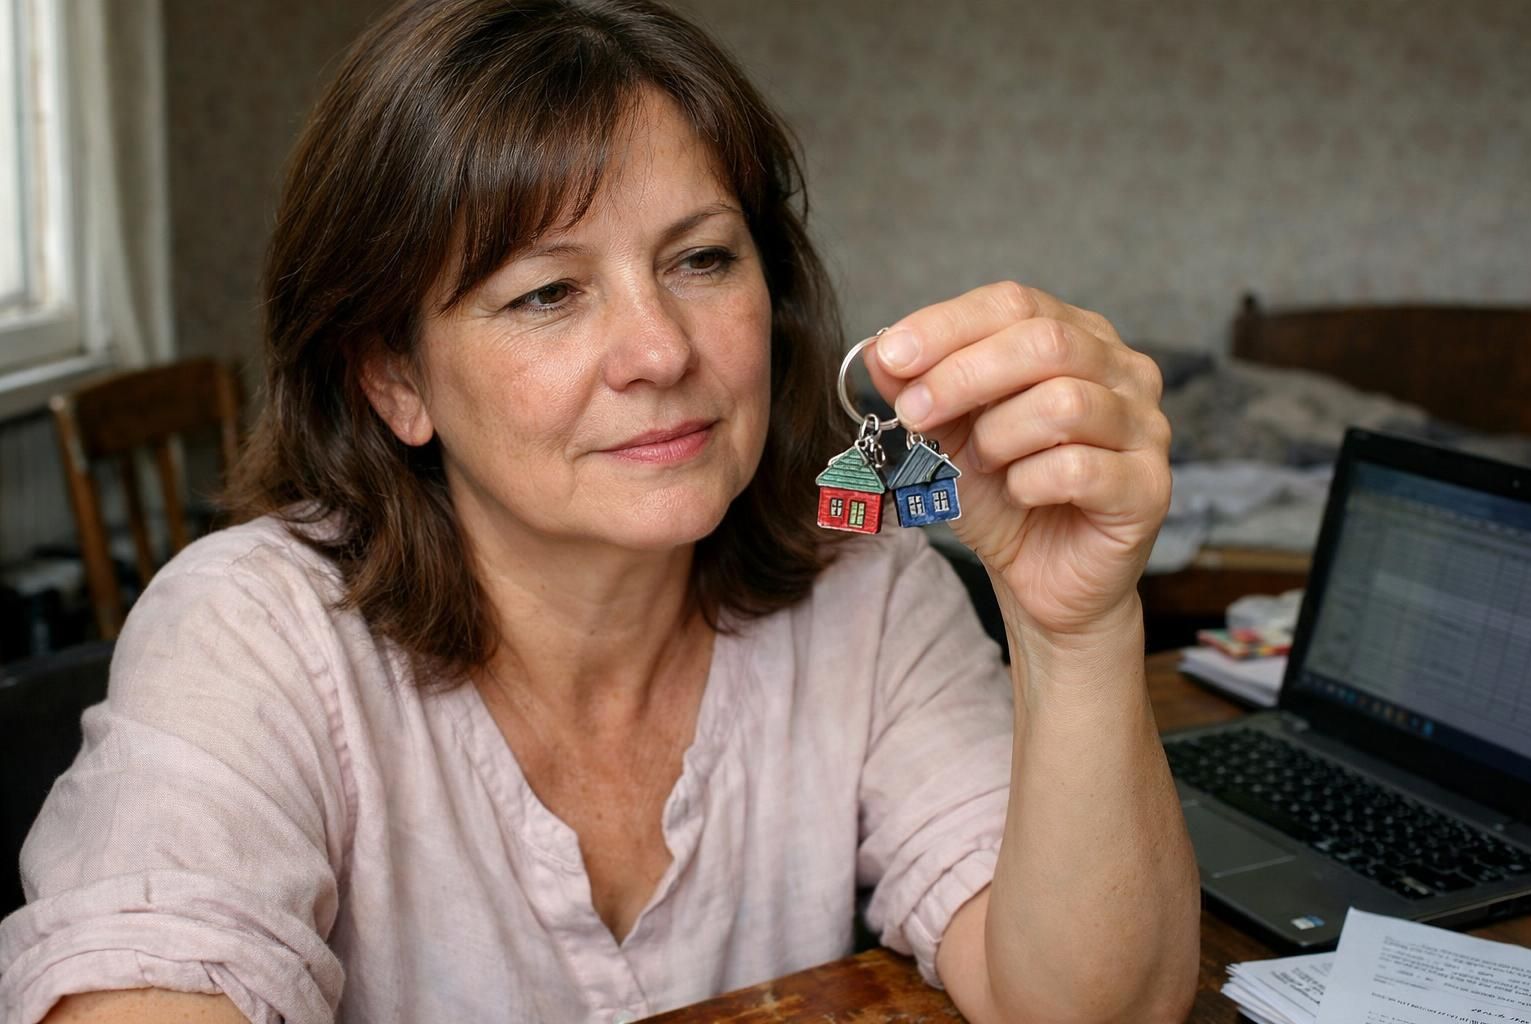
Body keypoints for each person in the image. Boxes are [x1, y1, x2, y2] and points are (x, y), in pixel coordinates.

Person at [0, 1, 1199, 1021]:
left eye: (701, 260)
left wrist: (1077, 627)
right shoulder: (250, 632)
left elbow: (1096, 1004)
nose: (660, 350)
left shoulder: (870, 589)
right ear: (395, 378)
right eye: (547, 293)